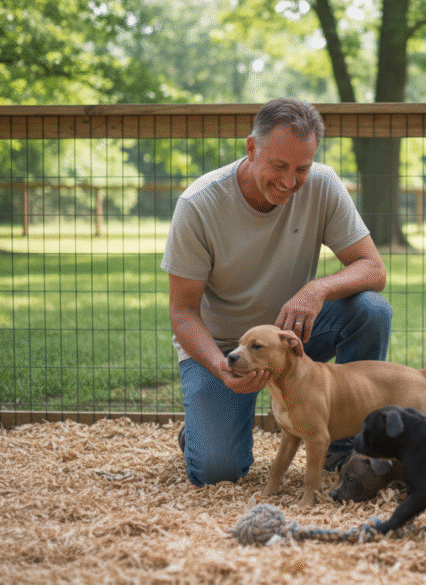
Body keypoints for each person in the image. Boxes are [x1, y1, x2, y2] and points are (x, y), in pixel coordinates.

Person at [161, 98, 392, 487]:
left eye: (301, 169)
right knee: (218, 472)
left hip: (293, 336)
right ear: (252, 149)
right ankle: (205, 429)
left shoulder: (323, 184)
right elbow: (183, 312)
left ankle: (343, 445)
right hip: (223, 348)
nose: (289, 182)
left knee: (372, 310)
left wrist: (317, 288)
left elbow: (373, 268)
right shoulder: (198, 205)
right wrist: (221, 364)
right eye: (279, 167)